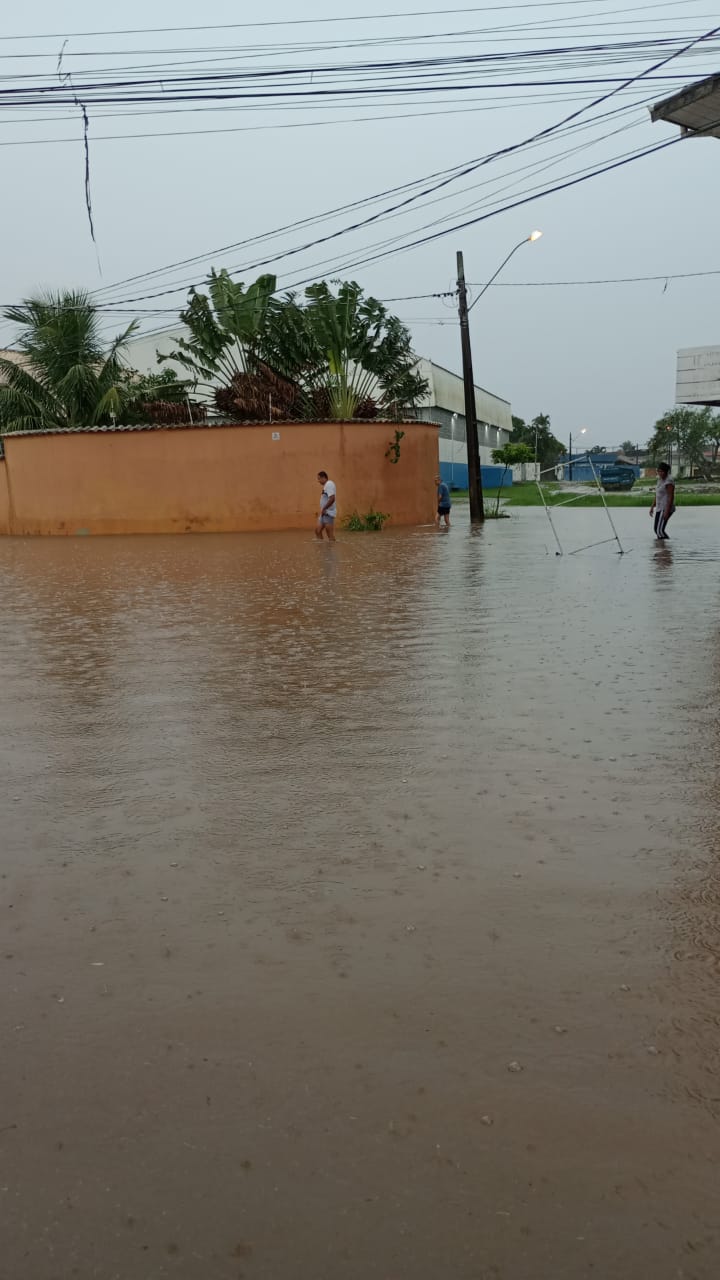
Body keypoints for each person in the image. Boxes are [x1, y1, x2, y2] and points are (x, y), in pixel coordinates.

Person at [650, 462, 675, 540]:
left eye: (662, 471)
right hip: (659, 507)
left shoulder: (669, 481)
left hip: (665, 507)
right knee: (656, 529)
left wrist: (667, 511)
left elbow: (671, 497)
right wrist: (652, 507)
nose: (660, 473)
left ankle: (666, 549)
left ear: (666, 472)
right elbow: (657, 494)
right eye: (659, 471)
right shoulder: (660, 480)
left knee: (659, 530)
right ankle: (662, 549)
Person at [316, 470, 337, 541]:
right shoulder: (326, 486)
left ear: (323, 477)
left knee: (330, 535)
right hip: (324, 513)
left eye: (319, 478)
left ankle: (332, 550)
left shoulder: (329, 484)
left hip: (328, 512)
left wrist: (324, 508)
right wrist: (323, 510)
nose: (318, 481)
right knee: (317, 531)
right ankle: (322, 550)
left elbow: (332, 498)